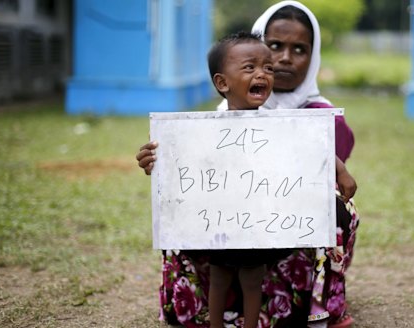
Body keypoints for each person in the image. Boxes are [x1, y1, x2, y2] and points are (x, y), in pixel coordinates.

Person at [136, 1, 359, 327]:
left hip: (279, 223)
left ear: (314, 57)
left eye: (299, 49)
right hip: (225, 222)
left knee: (338, 212)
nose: (282, 59)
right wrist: (160, 162)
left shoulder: (320, 119)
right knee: (197, 241)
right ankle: (210, 309)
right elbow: (192, 171)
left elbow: (315, 167)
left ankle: (308, 305)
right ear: (224, 78)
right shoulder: (210, 124)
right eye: (274, 47)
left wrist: (338, 169)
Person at [205, 31, 276, 328]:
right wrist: (156, 157)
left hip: (258, 217)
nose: (262, 74)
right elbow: (181, 156)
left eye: (268, 68)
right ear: (222, 83)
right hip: (219, 218)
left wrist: (340, 169)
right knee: (219, 276)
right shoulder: (203, 129)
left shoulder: (282, 125)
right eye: (249, 68)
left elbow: (310, 149)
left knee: (252, 277)